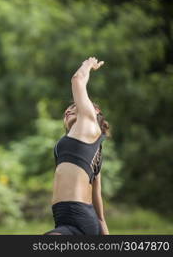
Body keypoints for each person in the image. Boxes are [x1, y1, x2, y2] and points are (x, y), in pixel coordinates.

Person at [45, 57, 110, 235]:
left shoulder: (89, 123)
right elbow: (97, 200)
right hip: (64, 219)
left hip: (78, 217)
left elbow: (77, 79)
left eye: (73, 106)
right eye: (66, 111)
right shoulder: (67, 146)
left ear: (94, 110)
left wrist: (88, 64)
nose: (67, 110)